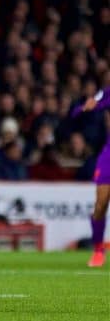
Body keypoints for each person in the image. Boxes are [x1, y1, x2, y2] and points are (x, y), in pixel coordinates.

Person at [71, 86, 110, 267]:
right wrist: (85, 107)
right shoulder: (107, 92)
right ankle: (98, 250)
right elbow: (77, 112)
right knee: (101, 204)